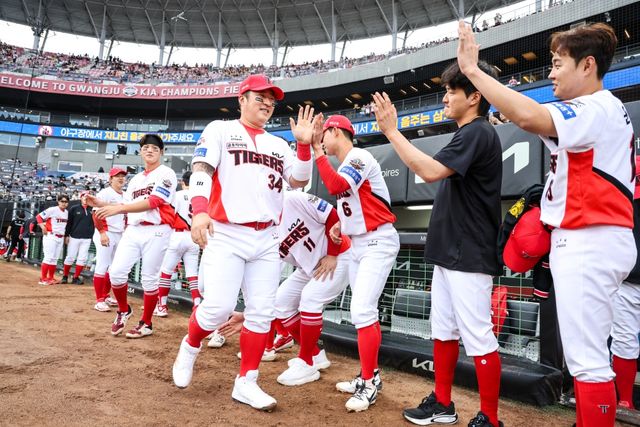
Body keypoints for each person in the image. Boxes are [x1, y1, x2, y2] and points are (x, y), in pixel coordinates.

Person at [457, 21, 636, 427]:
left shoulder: (596, 106)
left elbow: (529, 116)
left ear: (587, 65)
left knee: (588, 362)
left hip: (590, 237)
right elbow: (537, 124)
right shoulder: (601, 110)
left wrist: (472, 72)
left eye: (558, 64)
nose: (551, 73)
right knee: (590, 356)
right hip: (597, 237)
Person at [372, 57, 504, 426]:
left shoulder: (478, 132)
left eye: (451, 91)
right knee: (443, 331)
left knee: (479, 336)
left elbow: (428, 171)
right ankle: (443, 404)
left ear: (474, 96)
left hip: (469, 252)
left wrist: (392, 132)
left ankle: (491, 418)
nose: (444, 98)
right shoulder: (470, 132)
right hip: (451, 251)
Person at [171, 74, 312, 412]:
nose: (267, 104)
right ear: (242, 99)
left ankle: (246, 381)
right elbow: (202, 169)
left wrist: (304, 145)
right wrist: (199, 211)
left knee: (261, 313)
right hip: (227, 232)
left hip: (267, 237)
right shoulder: (220, 129)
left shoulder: (279, 144)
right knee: (218, 308)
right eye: (260, 97)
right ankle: (190, 345)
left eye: (271, 101)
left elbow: (299, 180)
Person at [311, 114, 399, 412]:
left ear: (336, 131)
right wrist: (342, 225)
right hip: (359, 242)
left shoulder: (359, 155)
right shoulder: (347, 162)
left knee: (363, 310)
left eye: (325, 134)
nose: (322, 139)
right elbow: (354, 202)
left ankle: (369, 382)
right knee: (359, 311)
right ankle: (367, 375)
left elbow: (336, 185)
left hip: (378, 240)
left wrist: (317, 152)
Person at [91, 134, 177, 339]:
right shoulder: (137, 179)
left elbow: (154, 202)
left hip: (158, 229)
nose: (150, 150)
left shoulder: (167, 173)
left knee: (149, 279)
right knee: (116, 272)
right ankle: (123, 310)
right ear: (140, 152)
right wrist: (101, 203)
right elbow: (126, 205)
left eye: (154, 148)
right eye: (146, 147)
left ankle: (146, 323)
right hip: (134, 229)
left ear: (161, 152)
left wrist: (117, 209)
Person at [273, 190, 351, 386]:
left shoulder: (292, 198)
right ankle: (315, 355)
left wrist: (332, 254)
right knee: (281, 301)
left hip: (339, 256)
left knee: (310, 298)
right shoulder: (263, 225)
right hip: (309, 267)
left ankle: (306, 362)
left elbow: (332, 215)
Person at [611, 155, 640, 410]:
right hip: (627, 280)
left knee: (624, 341)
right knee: (624, 341)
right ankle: (625, 401)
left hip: (627, 278)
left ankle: (625, 400)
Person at [154, 171, 201, 317]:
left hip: (178, 235)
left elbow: (168, 215)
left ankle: (162, 306)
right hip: (194, 236)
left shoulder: (177, 195)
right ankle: (197, 306)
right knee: (193, 274)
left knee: (166, 272)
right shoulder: (200, 197)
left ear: (182, 182)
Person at [90, 167, 127, 312]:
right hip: (106, 232)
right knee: (102, 264)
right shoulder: (105, 193)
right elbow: (96, 214)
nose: (121, 178)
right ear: (110, 179)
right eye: (117, 176)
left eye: (123, 176)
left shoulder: (125, 195)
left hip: (119, 233)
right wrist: (102, 233)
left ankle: (105, 295)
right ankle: (99, 300)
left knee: (114, 267)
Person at [62, 192, 95, 284]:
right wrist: (66, 235)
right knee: (70, 257)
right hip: (74, 237)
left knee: (82, 259)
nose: (86, 199)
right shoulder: (74, 208)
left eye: (87, 197)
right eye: (84, 197)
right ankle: (65, 276)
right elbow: (69, 223)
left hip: (87, 238)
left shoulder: (93, 209)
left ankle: (75, 277)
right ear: (81, 198)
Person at [36, 194, 69, 285]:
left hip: (60, 237)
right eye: (62, 201)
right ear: (58, 201)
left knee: (54, 259)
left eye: (66, 202)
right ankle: (43, 278)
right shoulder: (52, 209)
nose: (64, 203)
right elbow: (39, 217)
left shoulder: (66, 212)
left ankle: (50, 277)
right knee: (48, 257)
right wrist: (42, 226)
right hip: (51, 236)